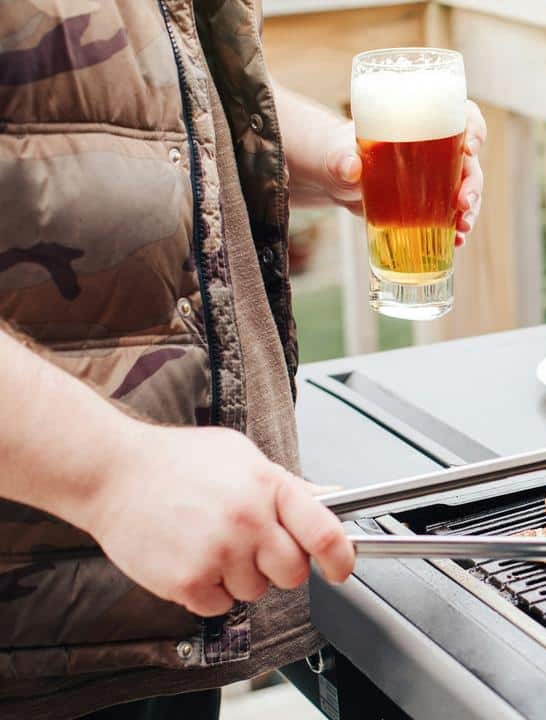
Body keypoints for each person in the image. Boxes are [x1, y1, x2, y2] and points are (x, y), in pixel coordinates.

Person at [0, 2, 486, 718]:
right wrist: (110, 472)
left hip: (156, 589)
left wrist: (337, 156)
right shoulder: (117, 480)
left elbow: (162, 84)